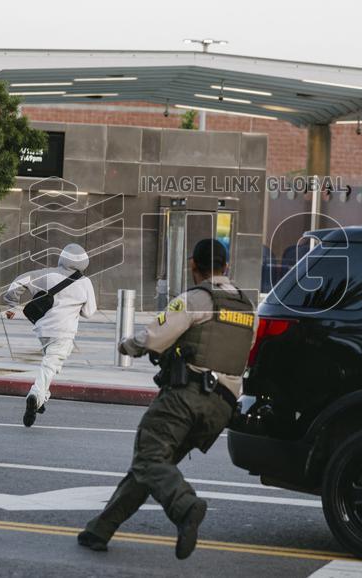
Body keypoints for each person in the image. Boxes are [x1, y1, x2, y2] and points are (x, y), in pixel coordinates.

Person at [78, 239, 255, 560]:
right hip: (222, 408)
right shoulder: (246, 308)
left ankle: (186, 506)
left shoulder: (195, 299)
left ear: (193, 266)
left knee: (149, 458)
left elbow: (153, 336)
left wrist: (126, 345)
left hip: (187, 398)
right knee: (154, 465)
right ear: (226, 267)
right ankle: (99, 529)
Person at [2, 243, 96, 427]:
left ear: (62, 258)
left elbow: (19, 281)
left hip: (43, 330)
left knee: (50, 364)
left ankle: (43, 398)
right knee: (50, 365)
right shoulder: (85, 283)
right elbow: (89, 312)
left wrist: (11, 304)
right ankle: (35, 396)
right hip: (65, 332)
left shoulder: (47, 275)